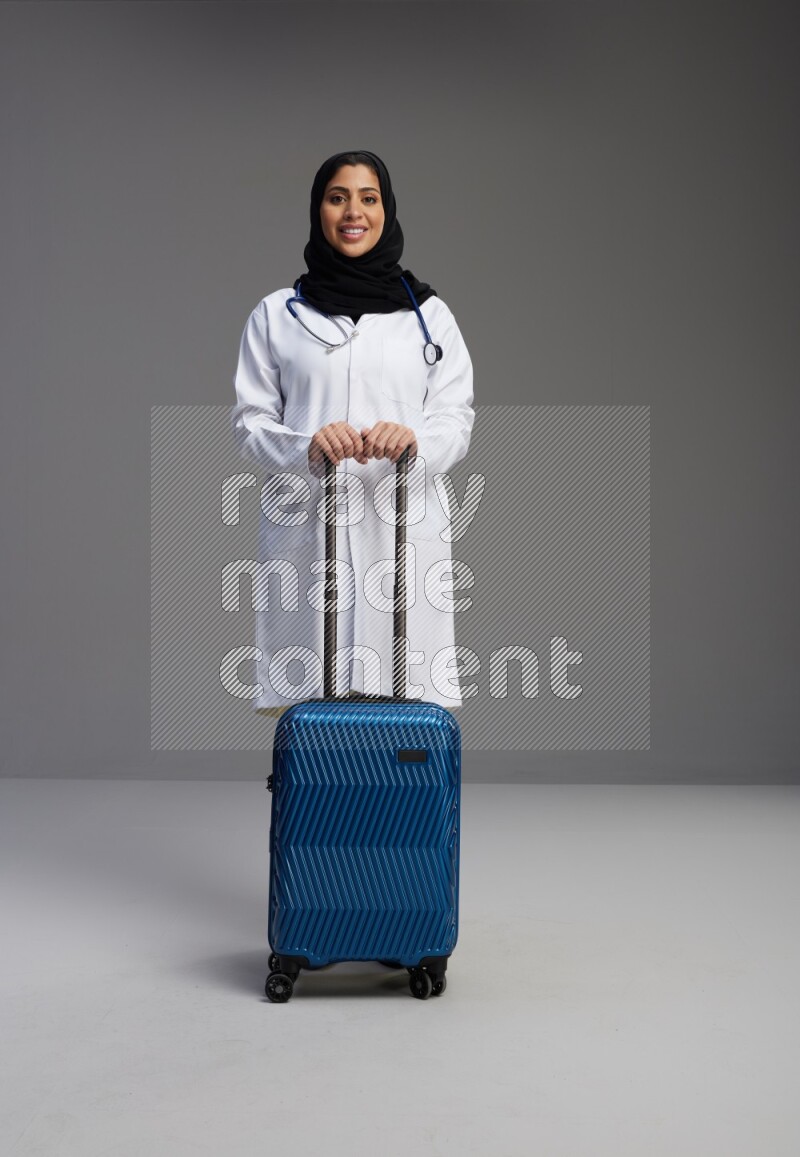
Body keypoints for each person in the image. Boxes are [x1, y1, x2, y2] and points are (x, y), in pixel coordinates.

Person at [230, 150, 474, 716]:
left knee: (403, 696)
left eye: (369, 198)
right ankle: (322, 807)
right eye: (337, 197)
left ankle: (399, 808)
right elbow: (249, 424)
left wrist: (414, 442)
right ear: (318, 210)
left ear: (387, 211)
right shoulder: (277, 315)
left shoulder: (429, 317)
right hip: (309, 518)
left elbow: (455, 419)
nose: (353, 212)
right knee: (316, 701)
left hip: (403, 522)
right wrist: (306, 445)